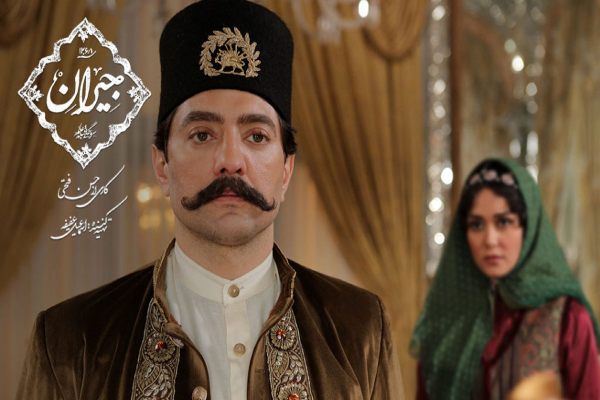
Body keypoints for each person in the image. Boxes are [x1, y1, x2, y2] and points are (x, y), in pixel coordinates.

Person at [16, 1, 402, 399]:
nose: (231, 161)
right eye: (202, 134)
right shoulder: (70, 342)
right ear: (163, 165)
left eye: (256, 136)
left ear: (286, 170)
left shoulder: (360, 332)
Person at [410, 158, 600, 400]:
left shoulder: (567, 319)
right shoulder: (447, 320)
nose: (490, 240)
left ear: (528, 228)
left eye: (504, 222)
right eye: (476, 224)